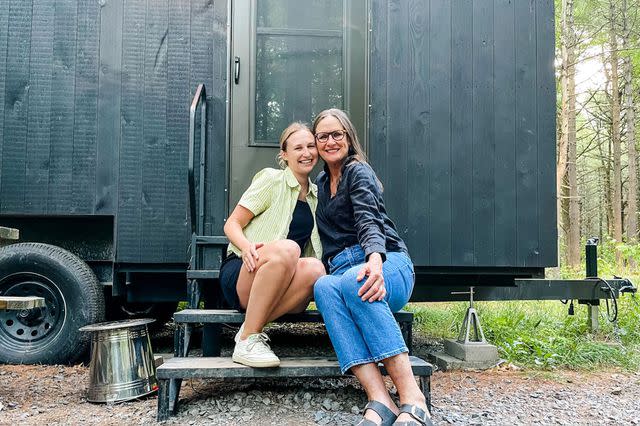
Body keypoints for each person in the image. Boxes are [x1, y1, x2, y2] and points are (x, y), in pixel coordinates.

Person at [312, 109, 432, 426]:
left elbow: (369, 221)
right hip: (344, 271)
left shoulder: (358, 172)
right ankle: (380, 399)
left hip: (388, 262)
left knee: (356, 279)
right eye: (322, 136)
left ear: (349, 137)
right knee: (323, 287)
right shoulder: (321, 184)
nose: (330, 141)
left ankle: (413, 397)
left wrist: (374, 260)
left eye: (336, 134)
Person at [220, 122, 325, 368]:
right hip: (247, 269)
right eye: (298, 147)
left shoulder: (317, 196)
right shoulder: (271, 180)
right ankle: (249, 341)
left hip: (285, 283)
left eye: (311, 146)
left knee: (316, 270)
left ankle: (248, 332)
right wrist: (246, 246)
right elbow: (232, 224)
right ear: (284, 155)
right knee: (288, 248)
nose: (306, 153)